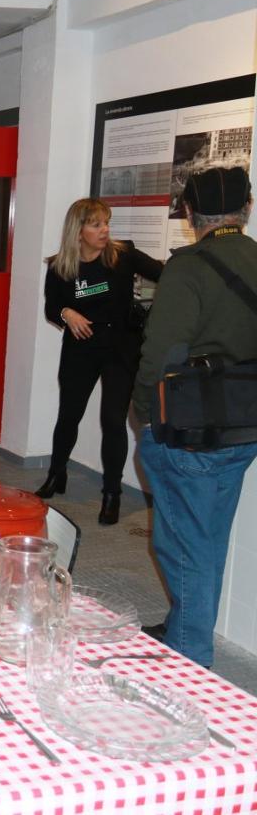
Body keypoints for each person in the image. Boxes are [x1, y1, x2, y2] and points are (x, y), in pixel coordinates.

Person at [133, 166, 257, 668]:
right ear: (245, 209)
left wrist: (144, 415)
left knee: (183, 546)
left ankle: (191, 664)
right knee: (208, 538)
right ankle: (187, 624)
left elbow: (160, 352)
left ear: (190, 213)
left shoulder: (188, 267)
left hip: (189, 430)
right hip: (244, 425)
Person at [37, 198, 163, 523]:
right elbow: (52, 308)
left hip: (120, 349)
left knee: (112, 420)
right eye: (96, 224)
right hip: (81, 348)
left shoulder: (123, 256)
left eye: (106, 222)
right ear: (78, 231)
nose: (104, 229)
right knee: (69, 415)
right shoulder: (60, 267)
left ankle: (112, 493)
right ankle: (56, 472)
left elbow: (165, 274)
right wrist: (67, 312)